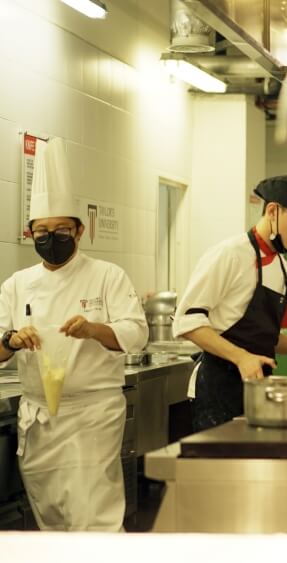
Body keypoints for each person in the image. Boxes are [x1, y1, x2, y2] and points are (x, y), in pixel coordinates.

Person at [0, 137, 148, 530]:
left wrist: (93, 329)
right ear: (31, 233)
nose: (52, 239)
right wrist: (10, 340)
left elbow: (136, 333)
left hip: (91, 413)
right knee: (48, 513)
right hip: (38, 418)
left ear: (80, 230)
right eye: (42, 231)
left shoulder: (106, 276)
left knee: (92, 513)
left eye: (62, 230)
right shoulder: (16, 284)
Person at [174, 175, 287, 431]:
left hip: (257, 389)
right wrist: (242, 358)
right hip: (217, 389)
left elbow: (263, 337)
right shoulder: (230, 254)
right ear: (273, 210)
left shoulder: (283, 268)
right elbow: (187, 322)